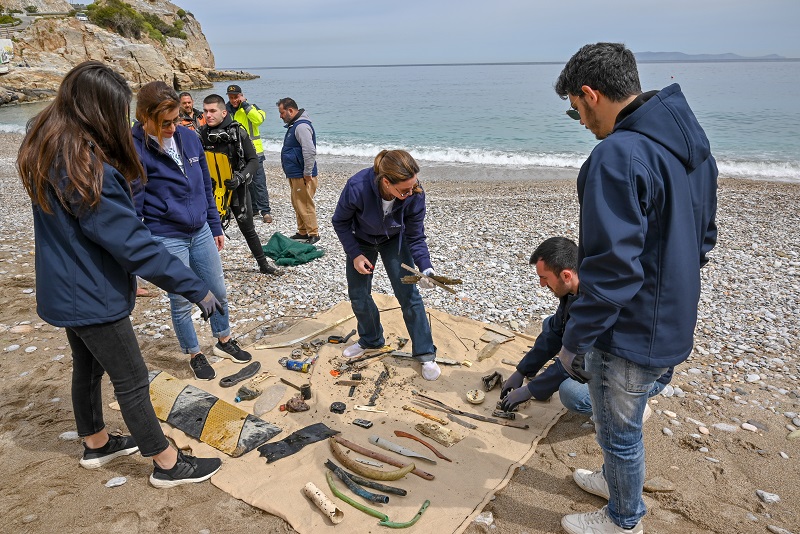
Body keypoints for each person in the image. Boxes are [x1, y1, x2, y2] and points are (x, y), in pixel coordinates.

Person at [18, 60, 222, 487]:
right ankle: (167, 463)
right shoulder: (86, 168)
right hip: (93, 291)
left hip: (63, 283)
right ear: (98, 111)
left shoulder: (45, 144)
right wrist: (194, 287)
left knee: (87, 368)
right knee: (131, 378)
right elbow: (133, 245)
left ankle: (96, 441)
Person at [554, 43, 718, 534]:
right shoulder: (690, 140)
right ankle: (614, 482)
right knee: (623, 417)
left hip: (629, 329)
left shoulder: (616, 155)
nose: (580, 121)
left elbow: (610, 270)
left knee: (618, 430)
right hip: (673, 317)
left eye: (575, 109)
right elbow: (703, 236)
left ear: (590, 94)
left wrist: (574, 340)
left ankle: (624, 519)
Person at [132, 81, 253, 382]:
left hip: (200, 229)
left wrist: (214, 224)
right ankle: (194, 353)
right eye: (164, 124)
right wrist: (133, 263)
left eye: (175, 121)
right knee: (182, 299)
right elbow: (133, 207)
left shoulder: (189, 137)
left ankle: (224, 340)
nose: (172, 128)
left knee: (217, 290)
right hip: (165, 234)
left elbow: (205, 187)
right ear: (145, 117)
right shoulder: (133, 148)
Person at [499, 237, 672, 418]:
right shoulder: (573, 288)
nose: (542, 284)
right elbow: (555, 332)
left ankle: (631, 407)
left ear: (566, 275)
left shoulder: (596, 301)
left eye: (544, 278)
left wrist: (530, 390)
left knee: (571, 393)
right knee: (549, 324)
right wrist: (522, 371)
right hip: (607, 353)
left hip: (640, 374)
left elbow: (574, 360)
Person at [332, 150, 440, 381]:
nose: (411, 192)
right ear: (386, 182)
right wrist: (355, 254)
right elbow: (339, 221)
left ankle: (425, 352)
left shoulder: (415, 194)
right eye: (404, 190)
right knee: (359, 295)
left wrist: (426, 267)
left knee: (409, 294)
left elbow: (416, 235)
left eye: (413, 186)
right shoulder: (357, 186)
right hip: (361, 240)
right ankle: (371, 339)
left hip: (394, 240)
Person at [199, 93, 280, 276]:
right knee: (209, 229)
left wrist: (240, 178)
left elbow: (253, 161)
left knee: (247, 228)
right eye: (205, 111)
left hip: (238, 189)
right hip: (213, 191)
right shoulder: (202, 134)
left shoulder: (237, 132)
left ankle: (263, 264)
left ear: (224, 113)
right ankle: (207, 268)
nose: (208, 115)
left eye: (212, 111)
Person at [226, 84, 272, 223]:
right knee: (243, 182)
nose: (234, 100)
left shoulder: (252, 108)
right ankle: (252, 208)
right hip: (236, 154)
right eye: (231, 97)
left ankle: (265, 211)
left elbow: (259, 120)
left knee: (258, 182)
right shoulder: (226, 111)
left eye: (236, 97)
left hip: (255, 152)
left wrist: (245, 105)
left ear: (241, 95)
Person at [277, 97, 319, 244]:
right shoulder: (295, 125)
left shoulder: (301, 127)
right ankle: (302, 231)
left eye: (282, 113)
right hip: (296, 172)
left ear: (290, 110)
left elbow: (309, 151)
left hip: (302, 174)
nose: (281, 116)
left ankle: (313, 233)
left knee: (304, 203)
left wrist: (307, 172)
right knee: (298, 202)